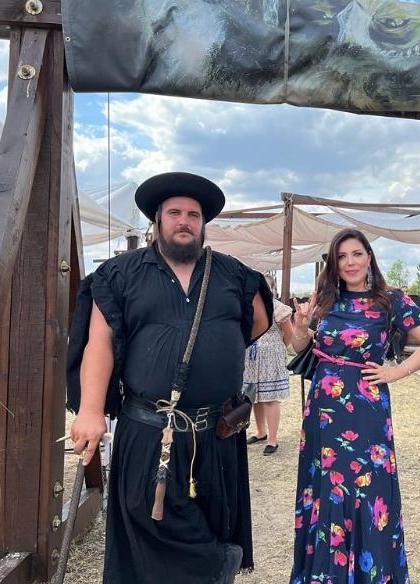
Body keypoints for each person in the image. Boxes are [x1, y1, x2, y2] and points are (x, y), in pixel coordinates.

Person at [66, 172, 272, 584]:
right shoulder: (120, 274)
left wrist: (215, 351)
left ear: (203, 223)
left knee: (213, 517)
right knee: (145, 522)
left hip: (216, 432)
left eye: (193, 215)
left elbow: (257, 323)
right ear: (157, 220)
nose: (184, 221)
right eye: (175, 212)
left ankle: (214, 564)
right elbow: (99, 343)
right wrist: (90, 410)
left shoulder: (234, 274)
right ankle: (216, 564)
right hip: (148, 428)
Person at [289, 228, 420, 584]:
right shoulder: (325, 299)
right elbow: (301, 347)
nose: (350, 262)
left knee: (366, 489)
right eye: (341, 256)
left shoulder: (389, 300)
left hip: (365, 408)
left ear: (369, 257)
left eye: (357, 254)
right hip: (323, 411)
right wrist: (300, 327)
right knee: (327, 489)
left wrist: (397, 371)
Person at [245, 273, 294, 455]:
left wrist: (277, 349)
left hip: (271, 356)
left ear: (271, 288)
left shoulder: (278, 308)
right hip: (251, 355)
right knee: (254, 396)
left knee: (270, 398)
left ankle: (273, 439)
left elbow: (288, 334)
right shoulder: (248, 305)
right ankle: (261, 432)